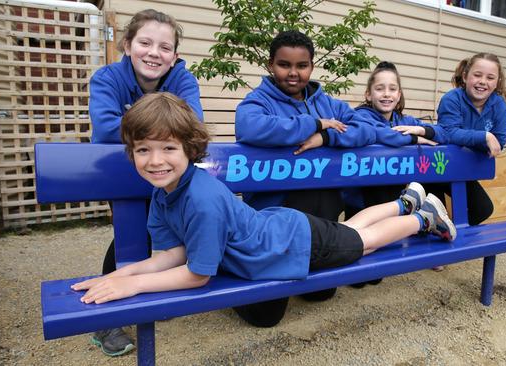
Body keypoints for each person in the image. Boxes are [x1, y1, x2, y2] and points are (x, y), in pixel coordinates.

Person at [70, 93, 457, 331]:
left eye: (168, 149)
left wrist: (134, 286)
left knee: (363, 242)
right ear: (132, 152)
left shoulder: (200, 199)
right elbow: (171, 255)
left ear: (190, 149)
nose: (155, 161)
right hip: (281, 231)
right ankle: (404, 202)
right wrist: (124, 274)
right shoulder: (163, 193)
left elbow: (196, 276)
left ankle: (423, 217)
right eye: (143, 150)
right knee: (353, 231)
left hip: (292, 244)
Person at [233, 30, 376, 323]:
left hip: (322, 214)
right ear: (271, 65)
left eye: (302, 65)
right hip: (277, 219)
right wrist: (313, 123)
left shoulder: (328, 103)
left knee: (320, 294)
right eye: (285, 65)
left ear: (311, 66)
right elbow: (250, 126)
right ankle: (236, 273)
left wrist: (325, 137)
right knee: (265, 318)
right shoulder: (258, 101)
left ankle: (303, 266)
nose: (294, 73)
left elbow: (366, 128)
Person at [87, 9, 203, 356]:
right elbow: (105, 127)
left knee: (164, 233)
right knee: (131, 234)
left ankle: (142, 290)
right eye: (145, 43)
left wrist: (141, 128)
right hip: (123, 171)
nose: (155, 53)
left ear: (175, 55)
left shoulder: (184, 80)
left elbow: (193, 124)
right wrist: (165, 125)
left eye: (165, 47)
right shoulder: (107, 78)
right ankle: (106, 316)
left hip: (166, 173)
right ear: (127, 45)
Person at [346, 61, 449, 283]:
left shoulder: (404, 120)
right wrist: (413, 139)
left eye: (392, 89)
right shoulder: (360, 116)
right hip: (361, 201)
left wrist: (422, 130)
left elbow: (443, 132)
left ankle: (428, 240)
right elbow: (378, 133)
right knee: (362, 278)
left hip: (391, 198)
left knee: (376, 273)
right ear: (368, 93)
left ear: (399, 94)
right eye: (380, 88)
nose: (386, 94)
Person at [432, 52, 506, 226]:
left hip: (465, 168)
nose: (483, 81)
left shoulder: (499, 105)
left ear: (497, 82)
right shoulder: (452, 99)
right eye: (477, 75)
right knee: (436, 213)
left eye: (490, 77)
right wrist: (484, 136)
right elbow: (449, 133)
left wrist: (479, 140)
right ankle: (440, 237)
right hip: (438, 167)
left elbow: (499, 143)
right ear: (466, 76)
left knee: (483, 208)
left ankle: (452, 237)